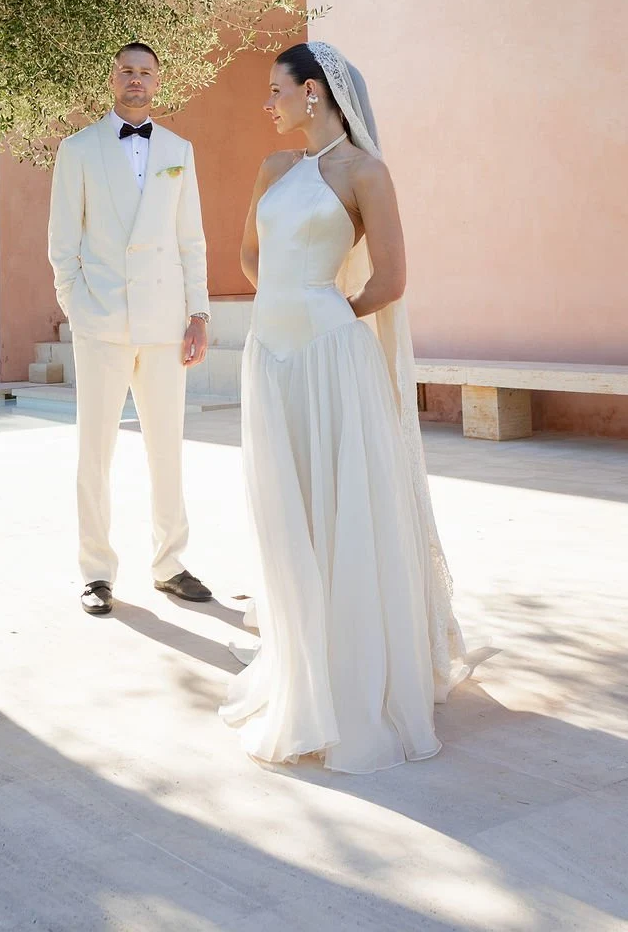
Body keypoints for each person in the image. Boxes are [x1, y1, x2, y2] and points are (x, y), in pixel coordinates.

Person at [220, 41, 470, 772]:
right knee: (284, 512)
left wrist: (329, 312)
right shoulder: (273, 170)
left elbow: (390, 278)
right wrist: (282, 310)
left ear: (315, 92)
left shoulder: (366, 172)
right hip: (268, 360)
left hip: (333, 357)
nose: (267, 103)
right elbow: (248, 257)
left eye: (276, 90)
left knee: (344, 511)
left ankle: (354, 685)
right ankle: (300, 672)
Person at [48, 41, 214, 616]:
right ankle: (96, 571)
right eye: (127, 71)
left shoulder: (179, 150)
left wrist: (199, 313)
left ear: (159, 81)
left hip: (166, 323)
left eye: (146, 72)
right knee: (95, 451)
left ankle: (171, 563)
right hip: (102, 324)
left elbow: (190, 238)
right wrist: (78, 309)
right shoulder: (78, 150)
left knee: (166, 448)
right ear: (112, 79)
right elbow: (62, 242)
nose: (136, 80)